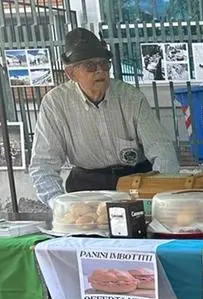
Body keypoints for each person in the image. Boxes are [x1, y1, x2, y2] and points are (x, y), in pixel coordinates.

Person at [29, 28, 179, 205]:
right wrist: (59, 205)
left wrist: (162, 195)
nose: (100, 71)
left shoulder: (130, 97)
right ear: (71, 74)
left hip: (135, 181)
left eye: (104, 64)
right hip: (87, 187)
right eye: (90, 66)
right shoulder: (55, 103)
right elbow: (43, 164)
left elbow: (161, 149)